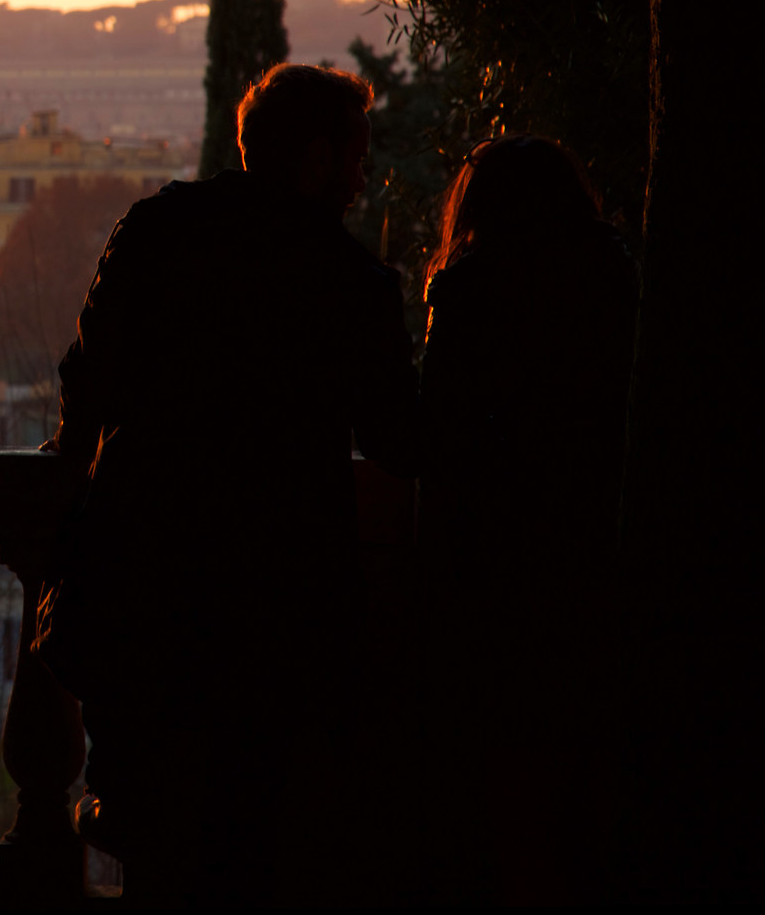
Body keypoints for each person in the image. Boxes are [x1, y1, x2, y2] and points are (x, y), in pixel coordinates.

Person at [32, 62, 418, 904]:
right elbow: (400, 439)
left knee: (155, 844)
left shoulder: (155, 231)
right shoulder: (350, 282)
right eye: (356, 160)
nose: (363, 181)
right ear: (318, 158)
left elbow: (88, 378)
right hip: (278, 626)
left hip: (142, 606)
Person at [417, 137, 635, 905]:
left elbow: (435, 432)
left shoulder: (470, 290)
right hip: (591, 552)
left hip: (491, 567)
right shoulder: (615, 277)